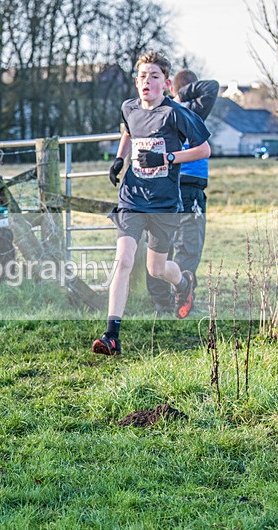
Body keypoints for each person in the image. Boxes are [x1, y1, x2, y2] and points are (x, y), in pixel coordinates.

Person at [93, 51, 211, 356]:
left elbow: (204, 150)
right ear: (136, 82)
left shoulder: (175, 114)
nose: (148, 81)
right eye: (143, 76)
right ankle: (111, 335)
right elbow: (129, 131)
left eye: (154, 76)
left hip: (165, 201)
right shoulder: (129, 107)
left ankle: (183, 282)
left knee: (157, 268)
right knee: (124, 259)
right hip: (132, 197)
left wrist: (167, 157)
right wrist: (120, 158)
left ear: (166, 83)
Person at [146, 70, 219, 313]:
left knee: (159, 244)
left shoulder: (162, 110)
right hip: (190, 184)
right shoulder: (192, 109)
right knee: (189, 244)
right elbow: (212, 85)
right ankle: (181, 294)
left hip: (164, 183)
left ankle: (161, 302)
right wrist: (181, 95)